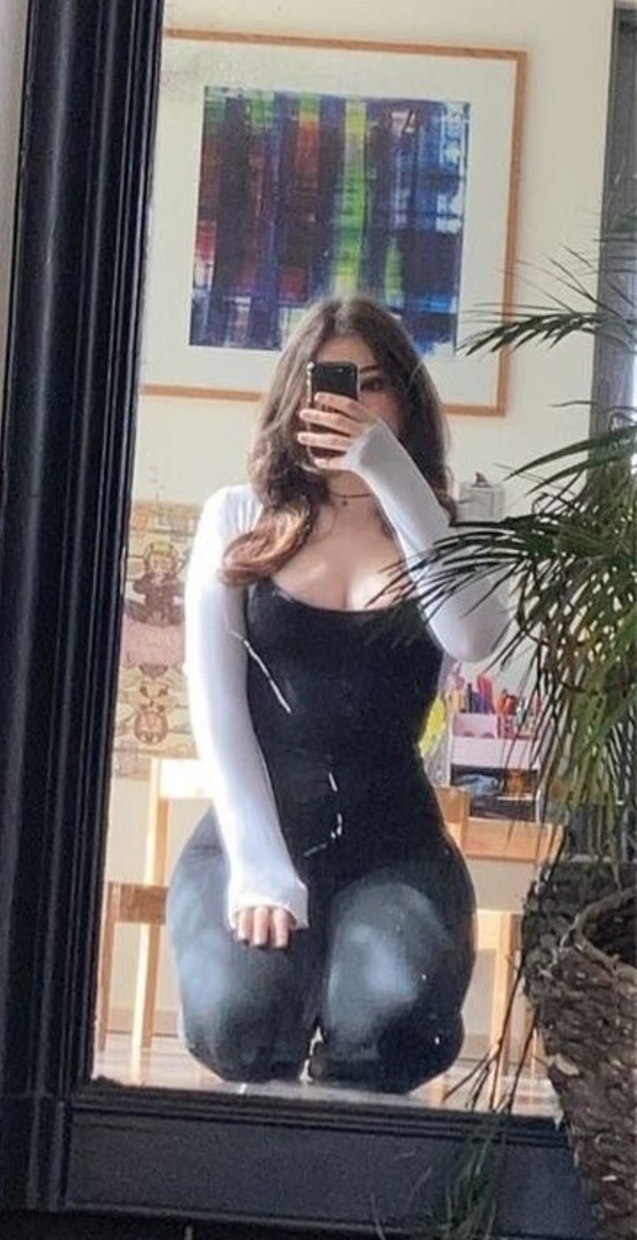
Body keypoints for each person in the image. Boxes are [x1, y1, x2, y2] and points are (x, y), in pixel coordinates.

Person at [167, 294, 508, 1093]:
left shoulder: (442, 531)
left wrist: (388, 470)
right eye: (332, 381)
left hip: (395, 848)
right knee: (238, 1018)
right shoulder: (237, 517)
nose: (353, 403)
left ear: (407, 401)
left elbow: (473, 635)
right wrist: (258, 867)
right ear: (297, 397)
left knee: (392, 1021)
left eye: (375, 383)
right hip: (254, 835)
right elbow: (215, 710)